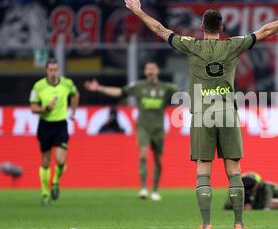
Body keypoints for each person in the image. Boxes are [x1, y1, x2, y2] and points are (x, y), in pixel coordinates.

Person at [123, 0, 278, 229]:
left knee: (203, 170)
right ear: (221, 28)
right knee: (234, 170)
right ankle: (239, 225)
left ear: (202, 28)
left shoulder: (191, 45)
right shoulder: (232, 45)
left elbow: (160, 29)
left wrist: (138, 11)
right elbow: (265, 31)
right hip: (227, 112)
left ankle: (207, 226)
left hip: (202, 113)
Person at [85, 62, 178, 201]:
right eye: (148, 69)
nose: (150, 71)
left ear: (158, 71)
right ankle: (143, 188)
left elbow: (182, 94)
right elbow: (120, 92)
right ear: (145, 72)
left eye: (153, 69)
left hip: (158, 129)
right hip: (143, 127)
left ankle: (155, 190)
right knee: (143, 155)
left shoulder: (166, 88)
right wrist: (99, 88)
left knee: (158, 160)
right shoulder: (139, 86)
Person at [29, 58, 79, 206]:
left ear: (58, 70)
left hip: (60, 125)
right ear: (46, 70)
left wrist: (73, 111)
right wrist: (45, 109)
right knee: (45, 162)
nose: (53, 73)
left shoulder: (67, 83)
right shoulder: (38, 86)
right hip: (45, 125)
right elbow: (32, 108)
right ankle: (45, 193)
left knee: (61, 160)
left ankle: (55, 182)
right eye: (50, 70)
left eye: (55, 69)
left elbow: (76, 95)